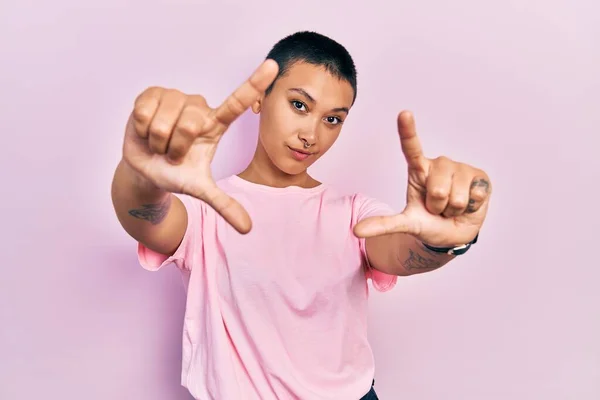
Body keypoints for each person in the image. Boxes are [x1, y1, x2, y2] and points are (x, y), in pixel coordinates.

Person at [111, 31, 492, 400]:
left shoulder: (357, 214)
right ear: (260, 96)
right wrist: (140, 173)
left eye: (332, 119)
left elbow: (399, 250)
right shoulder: (207, 209)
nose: (312, 134)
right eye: (299, 105)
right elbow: (146, 218)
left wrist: (442, 240)